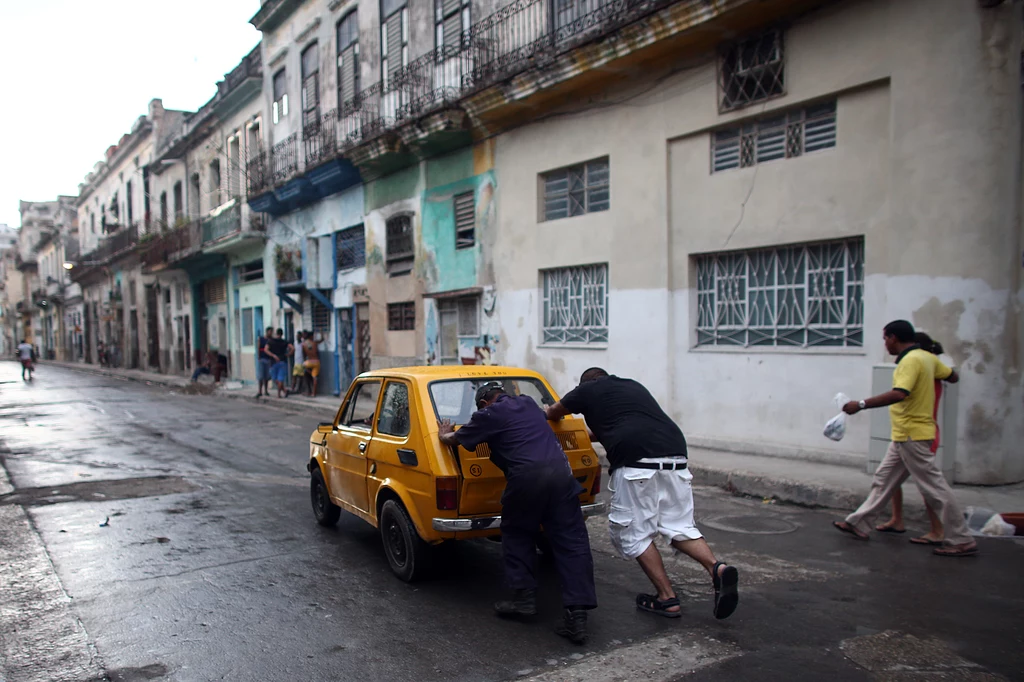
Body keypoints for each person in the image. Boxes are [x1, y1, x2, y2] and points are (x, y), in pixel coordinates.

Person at [545, 368, 739, 621]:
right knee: (678, 526)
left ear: (586, 383)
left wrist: (543, 418)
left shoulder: (587, 389)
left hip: (637, 464)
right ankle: (718, 569)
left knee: (633, 533)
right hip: (675, 455)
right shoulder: (631, 387)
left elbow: (553, 413)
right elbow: (608, 430)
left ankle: (666, 598)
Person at [437, 382, 597, 644]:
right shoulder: (528, 403)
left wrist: (444, 433)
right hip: (562, 476)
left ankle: (524, 599)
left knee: (517, 533)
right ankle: (577, 618)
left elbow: (457, 439)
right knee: (572, 543)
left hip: (527, 479)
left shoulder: (487, 415)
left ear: (483, 403)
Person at [833, 320, 978, 557]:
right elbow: (952, 376)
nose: (885, 344)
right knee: (883, 479)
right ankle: (859, 523)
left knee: (934, 488)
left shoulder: (910, 361)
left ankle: (961, 539)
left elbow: (900, 393)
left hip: (913, 434)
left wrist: (860, 405)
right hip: (904, 434)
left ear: (893, 338)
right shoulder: (927, 357)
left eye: (885, 339)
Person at [875, 331, 947, 544]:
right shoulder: (924, 368)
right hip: (906, 432)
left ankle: (938, 530)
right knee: (891, 478)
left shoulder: (926, 370)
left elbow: (901, 394)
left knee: (927, 484)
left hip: (919, 433)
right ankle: (897, 519)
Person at [267, 328, 292, 399]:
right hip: (283, 361)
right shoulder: (284, 342)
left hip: (274, 362)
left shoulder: (271, 341)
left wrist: (273, 355)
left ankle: (281, 392)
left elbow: (266, 349)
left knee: (275, 379)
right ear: (282, 334)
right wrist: (288, 354)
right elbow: (292, 348)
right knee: (280, 379)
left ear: (276, 333)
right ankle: (282, 391)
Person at [255, 327, 274, 398]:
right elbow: (258, 347)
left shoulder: (271, 340)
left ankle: (266, 390)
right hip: (262, 358)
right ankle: (260, 391)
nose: (270, 333)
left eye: (271, 332)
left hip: (268, 359)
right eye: (270, 331)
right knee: (261, 376)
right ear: (267, 332)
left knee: (267, 376)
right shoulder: (261, 339)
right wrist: (259, 357)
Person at [302, 331, 321, 397]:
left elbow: (304, 355)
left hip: (309, 362)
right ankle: (314, 393)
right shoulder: (315, 343)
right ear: (311, 336)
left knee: (303, 368)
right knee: (315, 378)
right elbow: (317, 352)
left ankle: (309, 372)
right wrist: (321, 332)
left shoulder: (304, 344)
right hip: (316, 361)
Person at [289, 330, 307, 396]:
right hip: (296, 362)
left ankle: (299, 389)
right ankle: (292, 388)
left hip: (301, 362)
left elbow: (304, 353)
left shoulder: (303, 343)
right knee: (294, 376)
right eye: (297, 336)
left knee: (301, 377)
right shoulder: (295, 342)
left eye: (298, 336)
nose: (297, 337)